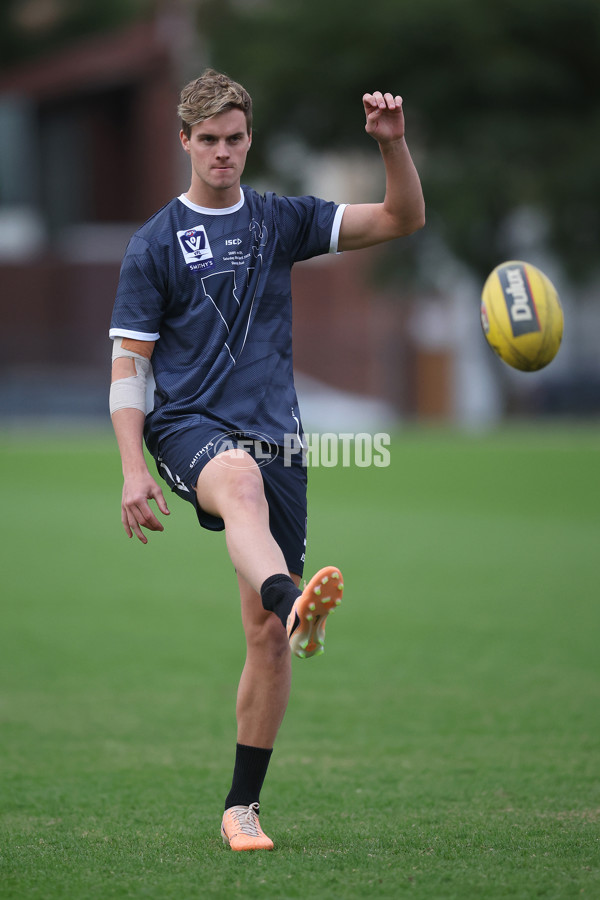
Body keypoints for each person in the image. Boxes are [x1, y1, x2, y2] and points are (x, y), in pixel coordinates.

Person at [109, 68, 425, 851]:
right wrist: (131, 467)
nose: (223, 152)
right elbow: (129, 371)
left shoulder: (279, 220)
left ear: (249, 140)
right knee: (238, 483)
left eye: (235, 138)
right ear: (183, 140)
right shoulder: (153, 244)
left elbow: (400, 218)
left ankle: (241, 807)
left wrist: (394, 146)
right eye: (208, 140)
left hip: (278, 436)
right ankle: (290, 593)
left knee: (266, 641)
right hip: (186, 427)